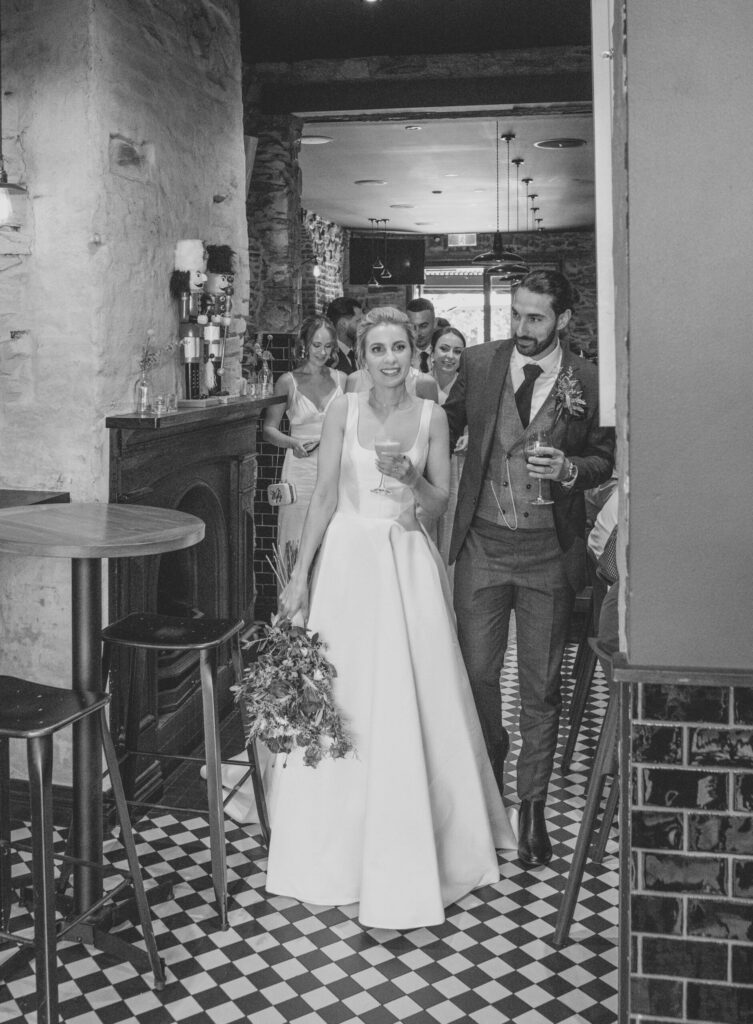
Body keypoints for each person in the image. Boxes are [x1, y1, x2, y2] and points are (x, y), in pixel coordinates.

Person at [266, 306, 517, 929]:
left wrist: (411, 480)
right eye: (377, 348)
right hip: (349, 565)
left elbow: (437, 505)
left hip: (404, 563)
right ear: (362, 354)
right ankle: (334, 841)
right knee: (345, 695)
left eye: (400, 347)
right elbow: (324, 494)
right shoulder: (340, 412)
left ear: (416, 351)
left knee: (413, 696)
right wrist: (300, 577)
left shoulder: (432, 416)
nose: (389, 359)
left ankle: (416, 837)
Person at [444, 269, 616, 870]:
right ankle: (490, 768)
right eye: (516, 314)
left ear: (563, 320)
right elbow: (445, 426)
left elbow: (604, 458)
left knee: (541, 686)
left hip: (550, 553)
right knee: (476, 672)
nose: (521, 328)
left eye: (535, 317)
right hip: (483, 547)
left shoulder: (591, 380)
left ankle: (532, 806)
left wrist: (569, 468)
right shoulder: (480, 362)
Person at [262, 316, 346, 567]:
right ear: (305, 344)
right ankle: (294, 603)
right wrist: (292, 444)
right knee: (295, 537)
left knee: (334, 537)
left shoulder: (343, 379)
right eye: (316, 345)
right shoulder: (287, 381)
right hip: (300, 468)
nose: (322, 351)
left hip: (336, 468)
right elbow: (268, 429)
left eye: (328, 346)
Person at [430, 325, 468, 576]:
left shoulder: (470, 385)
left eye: (457, 351)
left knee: (452, 525)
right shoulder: (419, 382)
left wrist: (471, 435)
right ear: (431, 352)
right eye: (444, 349)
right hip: (427, 466)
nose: (450, 356)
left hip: (458, 463)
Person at [325, 296, 363, 374]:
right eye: (358, 321)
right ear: (343, 324)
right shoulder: (328, 359)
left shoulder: (359, 353)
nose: (363, 326)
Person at [406, 297, 436, 373]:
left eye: (423, 326)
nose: (418, 333)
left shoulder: (445, 352)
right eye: (412, 327)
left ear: (434, 323)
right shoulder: (401, 355)